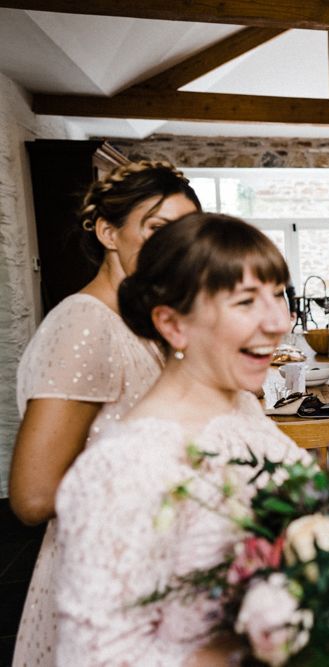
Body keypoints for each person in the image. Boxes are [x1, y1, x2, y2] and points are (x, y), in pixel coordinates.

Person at [53, 212, 306, 665]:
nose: (277, 322)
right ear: (172, 324)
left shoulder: (244, 410)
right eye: (246, 301)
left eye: (276, 295)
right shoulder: (123, 467)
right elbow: (100, 656)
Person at [9, 161, 201, 667]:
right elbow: (33, 496)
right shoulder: (85, 324)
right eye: (158, 229)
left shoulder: (143, 322)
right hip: (105, 568)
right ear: (107, 231)